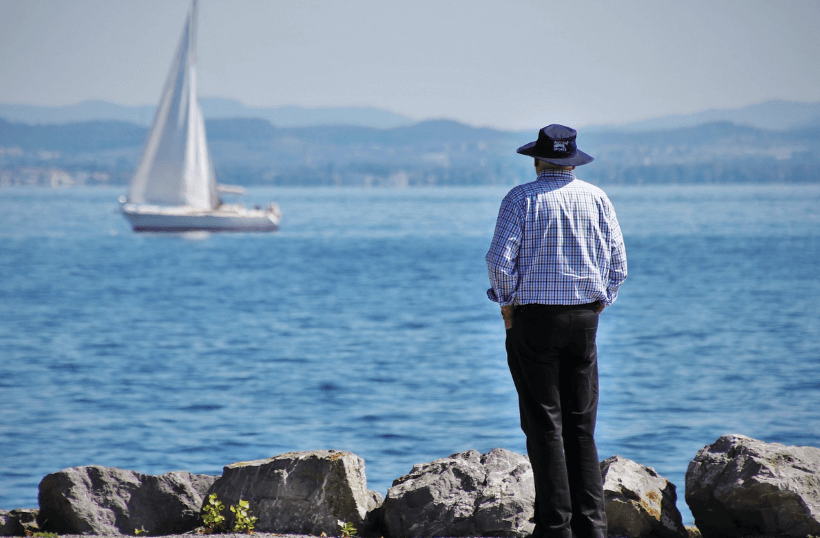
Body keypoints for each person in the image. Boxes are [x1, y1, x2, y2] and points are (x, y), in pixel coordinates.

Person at [485, 124, 627, 538]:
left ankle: (555, 528)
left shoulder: (520, 198)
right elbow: (619, 264)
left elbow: (498, 261)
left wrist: (507, 305)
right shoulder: (597, 198)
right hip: (584, 320)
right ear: (572, 161)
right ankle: (593, 527)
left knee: (545, 426)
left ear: (537, 159)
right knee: (581, 427)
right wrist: (600, 303)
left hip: (534, 320)